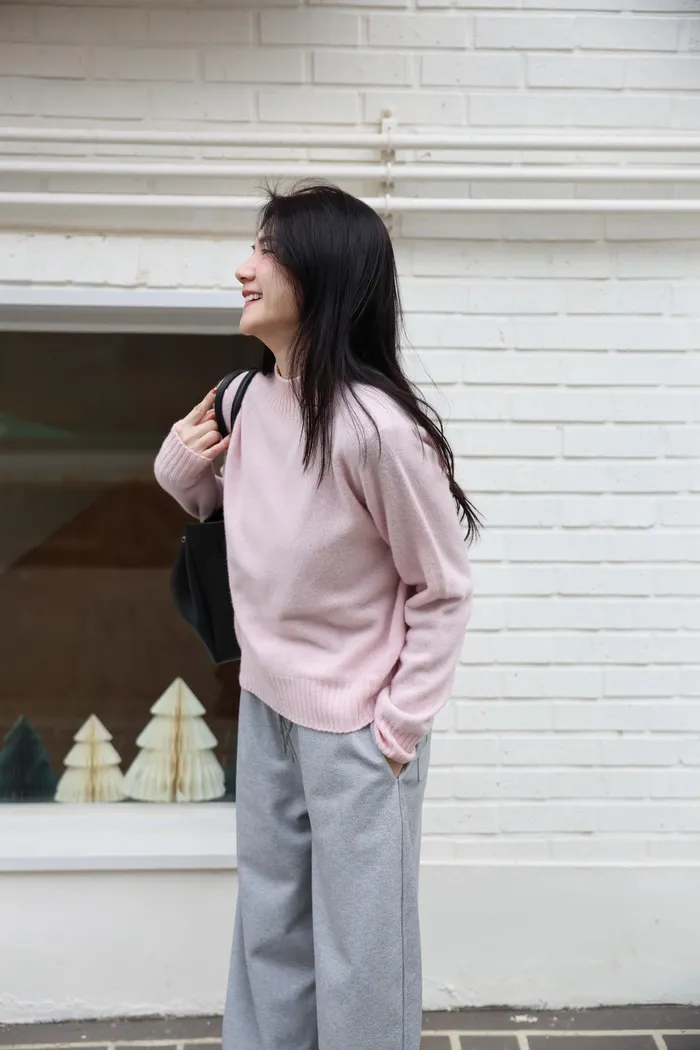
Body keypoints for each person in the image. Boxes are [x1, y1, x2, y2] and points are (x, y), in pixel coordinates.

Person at [154, 182, 482, 1050]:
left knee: (361, 956)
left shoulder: (377, 430)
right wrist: (179, 471)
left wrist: (396, 728)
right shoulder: (244, 399)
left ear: (323, 273)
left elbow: (443, 587)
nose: (244, 267)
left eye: (267, 250)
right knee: (269, 931)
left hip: (358, 729)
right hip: (267, 706)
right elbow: (245, 528)